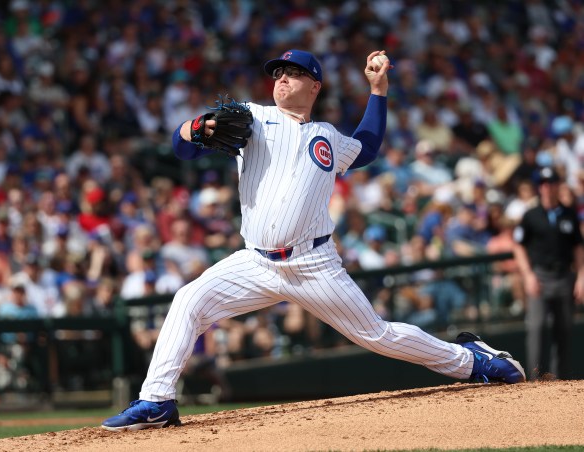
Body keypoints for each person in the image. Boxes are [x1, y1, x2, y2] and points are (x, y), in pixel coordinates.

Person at [102, 49, 525, 432]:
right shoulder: (254, 118)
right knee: (187, 302)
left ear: (315, 86)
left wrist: (377, 91)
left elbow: (369, 147)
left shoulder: (327, 136)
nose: (282, 79)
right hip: (256, 263)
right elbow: (184, 148)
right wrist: (193, 129)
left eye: (294, 73)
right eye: (278, 73)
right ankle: (156, 400)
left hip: (313, 264)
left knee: (376, 336)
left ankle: (474, 362)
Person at [512, 166, 584, 380]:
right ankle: (534, 379)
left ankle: (559, 380)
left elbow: (578, 248)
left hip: (564, 276)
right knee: (536, 327)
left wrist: (581, 276)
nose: (548, 187)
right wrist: (528, 275)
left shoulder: (569, 214)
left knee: (563, 329)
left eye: (552, 183)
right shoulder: (531, 216)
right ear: (539, 187)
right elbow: (518, 246)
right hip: (540, 276)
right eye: (543, 183)